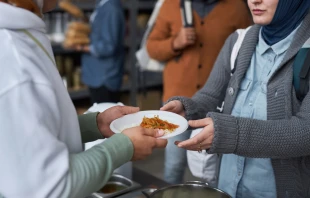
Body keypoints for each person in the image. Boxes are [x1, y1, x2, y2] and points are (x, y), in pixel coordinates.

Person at [0, 1, 167, 198]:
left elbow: (35, 133)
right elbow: (51, 186)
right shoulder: (14, 57)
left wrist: (95, 125)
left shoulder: (22, 35)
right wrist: (125, 147)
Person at [162, 0, 310, 197]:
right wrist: (188, 108)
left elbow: (305, 132)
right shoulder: (239, 41)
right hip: (227, 188)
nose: (255, 0)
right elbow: (211, 95)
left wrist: (232, 133)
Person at [146, 0, 252, 184]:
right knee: (174, 163)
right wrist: (175, 42)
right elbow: (151, 48)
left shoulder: (236, 7)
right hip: (177, 104)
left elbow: (250, 48)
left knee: (210, 168)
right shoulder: (171, 4)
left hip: (217, 105)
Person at [77, 0, 125, 104]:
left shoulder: (111, 9)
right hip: (97, 74)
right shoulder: (102, 5)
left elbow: (109, 46)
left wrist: (82, 47)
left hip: (104, 78)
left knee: (105, 114)